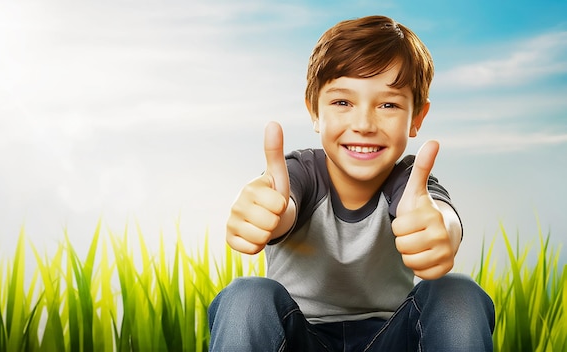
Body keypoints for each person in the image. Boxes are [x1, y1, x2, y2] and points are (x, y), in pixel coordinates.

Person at [208, 15, 495, 351]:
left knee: (456, 292)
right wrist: (263, 211)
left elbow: (435, 213)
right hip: (298, 339)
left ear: (416, 118)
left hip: (392, 340)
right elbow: (283, 204)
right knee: (247, 295)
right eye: (343, 102)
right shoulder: (300, 173)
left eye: (388, 104)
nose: (363, 124)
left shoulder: (410, 182)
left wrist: (442, 231)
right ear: (314, 110)